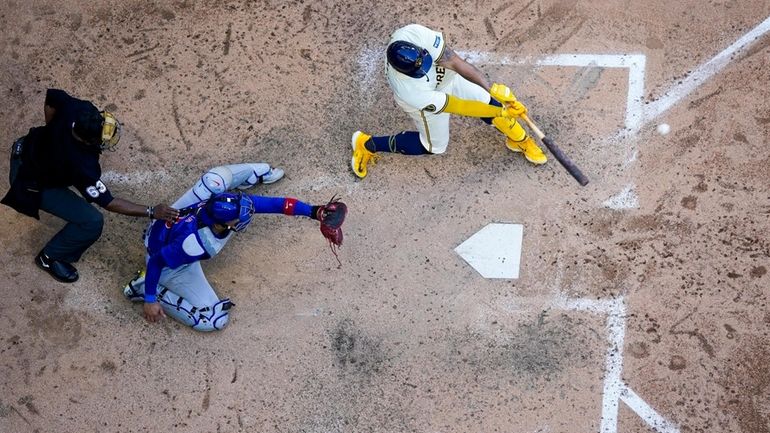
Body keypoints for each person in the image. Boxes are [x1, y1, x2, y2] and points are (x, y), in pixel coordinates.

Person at [122, 163, 346, 331]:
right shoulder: (196, 244)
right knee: (214, 320)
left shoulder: (223, 203)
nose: (247, 213)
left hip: (171, 225)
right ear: (221, 223)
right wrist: (151, 300)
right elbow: (158, 261)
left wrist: (315, 211)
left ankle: (257, 173)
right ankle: (142, 290)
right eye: (239, 218)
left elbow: (277, 204)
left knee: (214, 180)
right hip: (168, 262)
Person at [2, 88, 181, 283]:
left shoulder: (79, 110)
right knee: (92, 221)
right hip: (29, 182)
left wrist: (51, 128)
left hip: (25, 146)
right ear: (87, 140)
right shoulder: (81, 164)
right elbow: (109, 202)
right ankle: (50, 257)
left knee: (60, 173)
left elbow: (52, 97)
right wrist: (151, 211)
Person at [350, 23, 548, 179]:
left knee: (489, 102)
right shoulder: (409, 90)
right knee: (433, 147)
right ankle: (366, 144)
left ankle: (519, 140)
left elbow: (453, 61)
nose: (427, 67)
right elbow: (459, 106)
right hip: (427, 104)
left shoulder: (412, 34)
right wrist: (502, 112)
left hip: (449, 79)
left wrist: (492, 89)